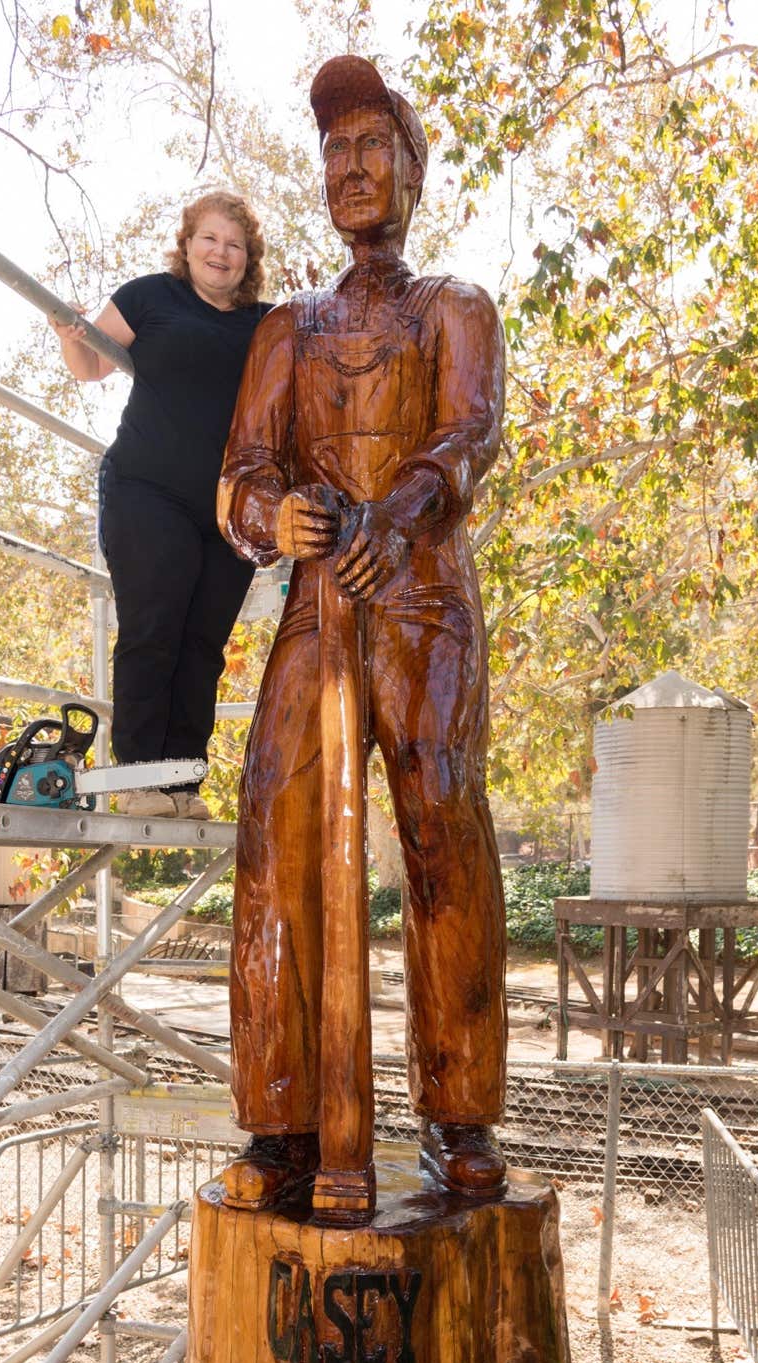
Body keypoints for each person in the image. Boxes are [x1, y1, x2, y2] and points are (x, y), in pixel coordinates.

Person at [216, 56, 508, 1203]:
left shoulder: (455, 309)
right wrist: (270, 514)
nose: (349, 167)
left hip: (422, 599)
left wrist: (400, 510)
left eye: (371, 145)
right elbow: (241, 475)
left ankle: (459, 1113)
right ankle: (283, 1123)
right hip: (317, 603)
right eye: (334, 150)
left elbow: (467, 436)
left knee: (439, 818)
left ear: (411, 171)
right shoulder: (287, 327)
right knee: (275, 824)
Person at [51, 192, 271, 818]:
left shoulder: (264, 322)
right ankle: (141, 778)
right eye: (209, 238)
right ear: (188, 243)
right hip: (147, 491)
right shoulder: (150, 296)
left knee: (205, 644)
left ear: (248, 257)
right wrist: (71, 335)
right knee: (154, 630)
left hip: (226, 509)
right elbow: (89, 365)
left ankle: (181, 781)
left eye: (234, 244)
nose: (220, 253)